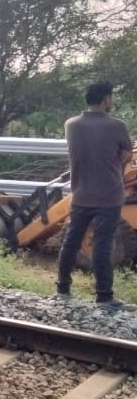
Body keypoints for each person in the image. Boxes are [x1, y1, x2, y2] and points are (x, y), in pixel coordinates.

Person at [56, 81, 134, 308]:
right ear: (105, 99)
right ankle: (104, 297)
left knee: (71, 242)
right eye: (111, 98)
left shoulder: (71, 125)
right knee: (102, 245)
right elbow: (127, 152)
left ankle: (62, 289)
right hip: (109, 195)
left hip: (80, 193)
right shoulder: (116, 126)